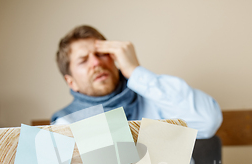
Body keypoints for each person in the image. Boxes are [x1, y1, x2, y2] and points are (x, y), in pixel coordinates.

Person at [52, 25, 222, 140]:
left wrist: (135, 71)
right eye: (83, 60)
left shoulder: (157, 99)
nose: (96, 63)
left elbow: (208, 121)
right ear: (71, 82)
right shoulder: (64, 128)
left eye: (102, 54)